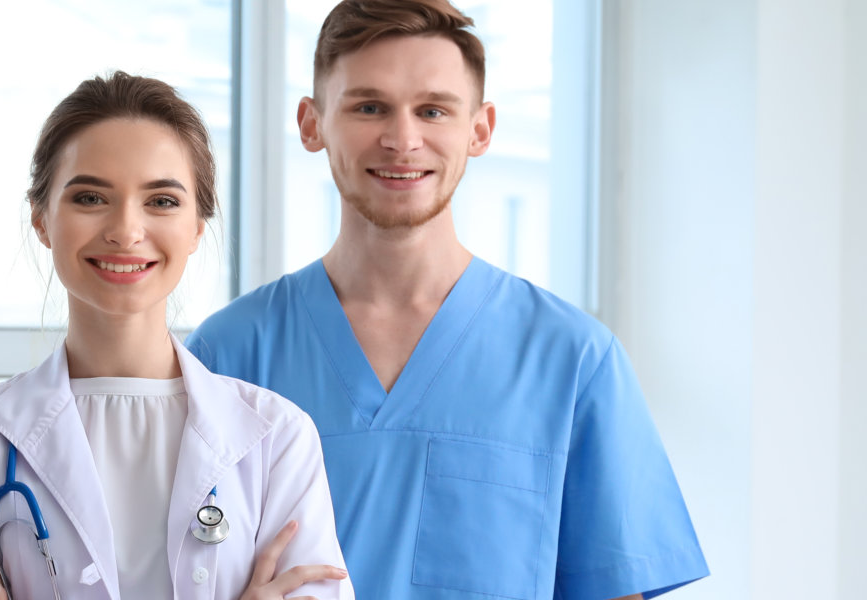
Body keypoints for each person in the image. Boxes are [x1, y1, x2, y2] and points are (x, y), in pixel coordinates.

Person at [184, 1, 709, 599]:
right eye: (369, 106)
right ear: (312, 123)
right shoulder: (226, 357)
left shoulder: (574, 361)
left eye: (432, 110)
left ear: (480, 128)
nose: (402, 139)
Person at [0, 72, 351, 600]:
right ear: (42, 219)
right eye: (91, 197)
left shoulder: (278, 437)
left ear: (195, 228)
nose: (125, 230)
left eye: (161, 201)